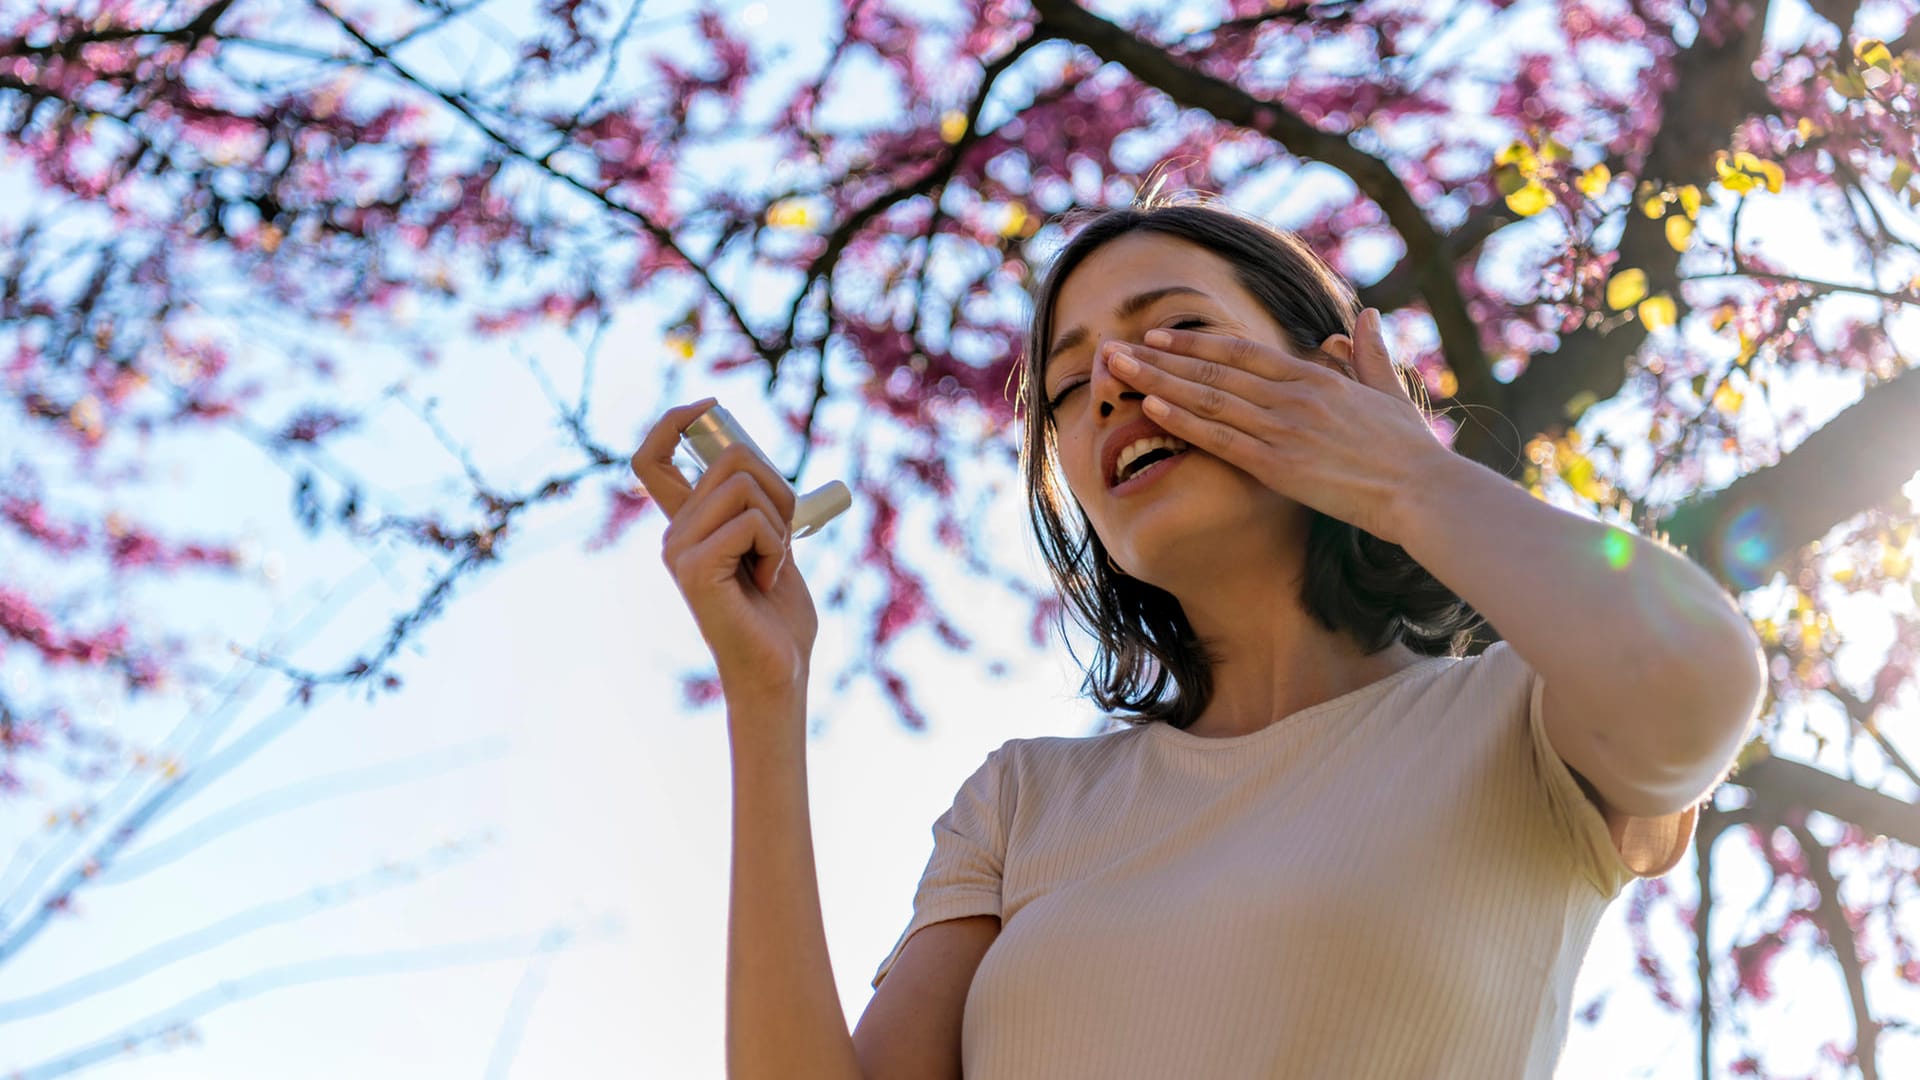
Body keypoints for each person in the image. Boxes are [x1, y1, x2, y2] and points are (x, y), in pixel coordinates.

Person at [632, 194, 1765, 1079]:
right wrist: (766, 692)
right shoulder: (1024, 805)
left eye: (1175, 332)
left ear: (1333, 376)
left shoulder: (1520, 722)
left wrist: (1404, 472)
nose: (1115, 384)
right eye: (1068, 387)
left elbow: (1699, 684)